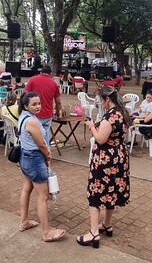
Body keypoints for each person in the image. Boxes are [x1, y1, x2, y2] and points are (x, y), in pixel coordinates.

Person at [78, 86, 131, 249]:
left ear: (107, 99)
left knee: (96, 193)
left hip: (105, 160)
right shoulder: (123, 114)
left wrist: (92, 126)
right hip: (119, 158)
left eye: (102, 100)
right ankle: (107, 224)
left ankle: (93, 233)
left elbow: (100, 139)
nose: (101, 103)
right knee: (112, 191)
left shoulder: (111, 117)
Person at [16, 92, 66, 242]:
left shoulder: (24, 116)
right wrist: (48, 156)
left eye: (39, 103)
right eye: (34, 104)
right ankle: (46, 232)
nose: (38, 106)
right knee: (43, 196)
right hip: (34, 159)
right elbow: (42, 144)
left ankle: (23, 221)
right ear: (26, 106)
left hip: (25, 157)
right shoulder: (32, 121)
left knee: (26, 189)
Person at [24, 65, 62, 144]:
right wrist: (58, 113)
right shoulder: (53, 83)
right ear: (51, 74)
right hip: (47, 115)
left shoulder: (33, 79)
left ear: (40, 72)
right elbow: (58, 101)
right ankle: (46, 153)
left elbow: (24, 95)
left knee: (32, 137)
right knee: (45, 136)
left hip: (33, 114)